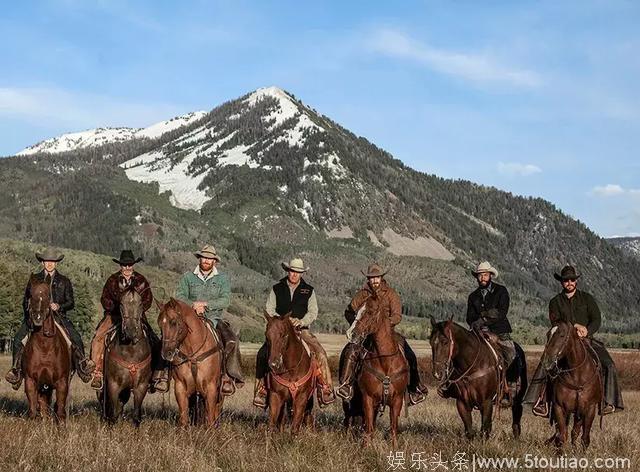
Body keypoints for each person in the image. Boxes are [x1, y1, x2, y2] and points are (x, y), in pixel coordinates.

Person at [525, 265, 623, 417]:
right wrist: (575, 325)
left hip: (586, 340)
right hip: (564, 341)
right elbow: (556, 322)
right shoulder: (555, 301)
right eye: (566, 280)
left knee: (608, 364)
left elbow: (596, 319)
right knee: (546, 362)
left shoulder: (587, 299)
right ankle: (541, 401)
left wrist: (587, 330)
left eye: (572, 280)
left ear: (576, 281)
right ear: (561, 282)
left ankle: (607, 401)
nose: (569, 283)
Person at [336, 263, 428, 406]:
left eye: (377, 277)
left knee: (409, 354)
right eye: (372, 278)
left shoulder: (391, 294)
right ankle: (346, 385)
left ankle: (415, 388)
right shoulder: (362, 295)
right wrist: (357, 325)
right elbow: (349, 311)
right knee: (350, 351)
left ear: (381, 277)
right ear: (368, 279)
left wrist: (383, 325)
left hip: (388, 333)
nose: (374, 281)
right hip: (366, 334)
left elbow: (397, 316)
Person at [5, 249, 95, 389]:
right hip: (36, 317)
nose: (50, 264)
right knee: (18, 339)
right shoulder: (34, 279)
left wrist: (58, 306)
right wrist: (31, 314)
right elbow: (25, 301)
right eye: (47, 261)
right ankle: (16, 371)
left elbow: (71, 302)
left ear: (56, 263)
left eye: (52, 262)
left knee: (75, 337)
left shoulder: (64, 281)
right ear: (42, 262)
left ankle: (82, 365)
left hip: (59, 318)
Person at [253, 258, 336, 408]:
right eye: (292, 271)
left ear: (302, 273)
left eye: (298, 272)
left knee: (320, 353)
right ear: (288, 271)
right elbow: (269, 308)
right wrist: (281, 322)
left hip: (301, 330)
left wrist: (302, 321)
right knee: (262, 354)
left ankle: (325, 388)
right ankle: (261, 390)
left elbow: (313, 312)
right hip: (280, 331)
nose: (294, 274)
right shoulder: (277, 288)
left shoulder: (309, 290)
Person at [89, 250, 168, 392]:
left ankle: (157, 376)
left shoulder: (141, 281)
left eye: (129, 265)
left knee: (154, 340)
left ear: (133, 265)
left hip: (137, 317)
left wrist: (136, 311)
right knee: (98, 337)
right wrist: (118, 308)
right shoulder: (112, 280)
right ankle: (97, 373)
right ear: (120, 265)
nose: (127, 268)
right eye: (124, 265)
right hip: (114, 316)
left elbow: (148, 299)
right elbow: (104, 298)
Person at [175, 245, 244, 396]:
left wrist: (205, 305)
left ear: (215, 261)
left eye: (210, 258)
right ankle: (161, 375)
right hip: (189, 319)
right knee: (169, 337)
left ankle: (228, 376)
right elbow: (179, 296)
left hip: (214, 318)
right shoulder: (188, 277)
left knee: (231, 340)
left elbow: (225, 300)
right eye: (204, 257)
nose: (206, 260)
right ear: (200, 258)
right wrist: (193, 305)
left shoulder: (222, 279)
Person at [466, 261, 517, 407]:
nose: (483, 277)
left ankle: (509, 388)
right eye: (480, 275)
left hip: (500, 331)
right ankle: (457, 386)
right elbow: (469, 317)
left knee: (511, 354)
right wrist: (477, 323)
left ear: (490, 276)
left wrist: (482, 318)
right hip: (479, 333)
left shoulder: (501, 291)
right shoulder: (473, 296)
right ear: (477, 277)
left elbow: (501, 312)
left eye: (485, 275)